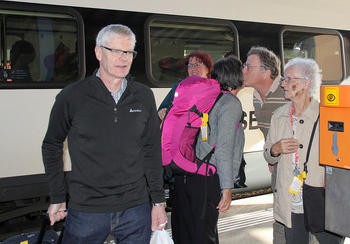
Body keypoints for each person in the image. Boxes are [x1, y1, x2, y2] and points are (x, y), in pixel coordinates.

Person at [42, 24, 167, 244]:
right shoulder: (72, 96)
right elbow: (52, 144)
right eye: (116, 51)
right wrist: (58, 196)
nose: (123, 58)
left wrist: (158, 202)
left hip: (135, 209)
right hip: (87, 211)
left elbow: (152, 150)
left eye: (128, 52)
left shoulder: (143, 95)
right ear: (99, 52)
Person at [264, 57, 343, 244]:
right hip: (290, 203)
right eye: (284, 79)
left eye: (290, 79)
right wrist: (275, 150)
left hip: (321, 200)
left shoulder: (328, 115)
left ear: (307, 83)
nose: (283, 84)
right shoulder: (279, 116)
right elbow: (268, 154)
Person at [171, 56, 245, 244]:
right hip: (205, 178)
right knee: (204, 235)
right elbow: (224, 147)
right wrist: (227, 186)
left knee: (185, 232)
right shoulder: (230, 103)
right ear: (235, 75)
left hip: (185, 172)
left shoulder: (206, 96)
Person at [243, 46, 288, 244]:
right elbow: (267, 131)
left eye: (248, 66)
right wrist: (271, 156)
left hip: (294, 165)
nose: (243, 70)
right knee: (280, 213)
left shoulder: (286, 92)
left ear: (266, 72)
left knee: (294, 215)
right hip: (278, 161)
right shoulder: (254, 95)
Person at [157, 51, 213, 121]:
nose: (193, 68)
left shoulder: (215, 89)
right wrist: (162, 112)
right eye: (190, 65)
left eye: (197, 65)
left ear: (207, 69)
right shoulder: (179, 87)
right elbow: (161, 110)